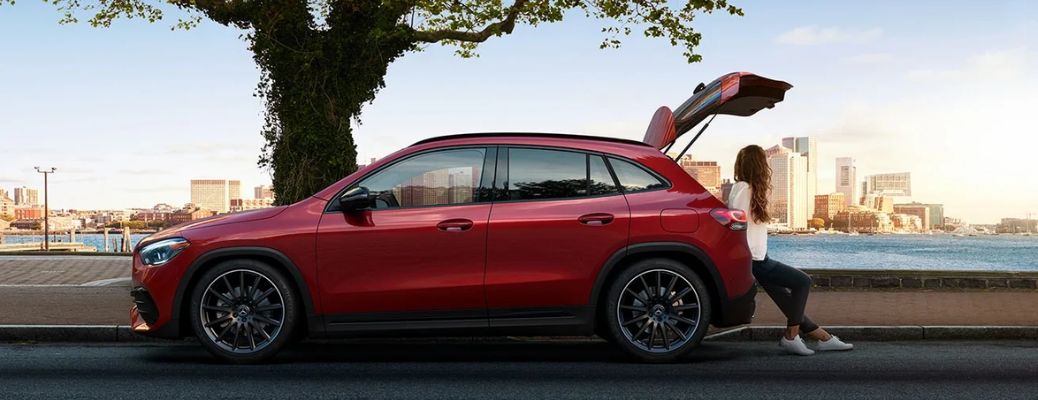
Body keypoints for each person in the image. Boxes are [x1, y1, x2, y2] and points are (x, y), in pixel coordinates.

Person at [728, 145, 854, 356]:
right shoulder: (744, 188)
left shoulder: (746, 188)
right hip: (753, 259)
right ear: (759, 165)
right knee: (802, 281)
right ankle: (791, 337)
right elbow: (737, 224)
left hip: (757, 257)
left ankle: (824, 338)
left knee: (787, 302)